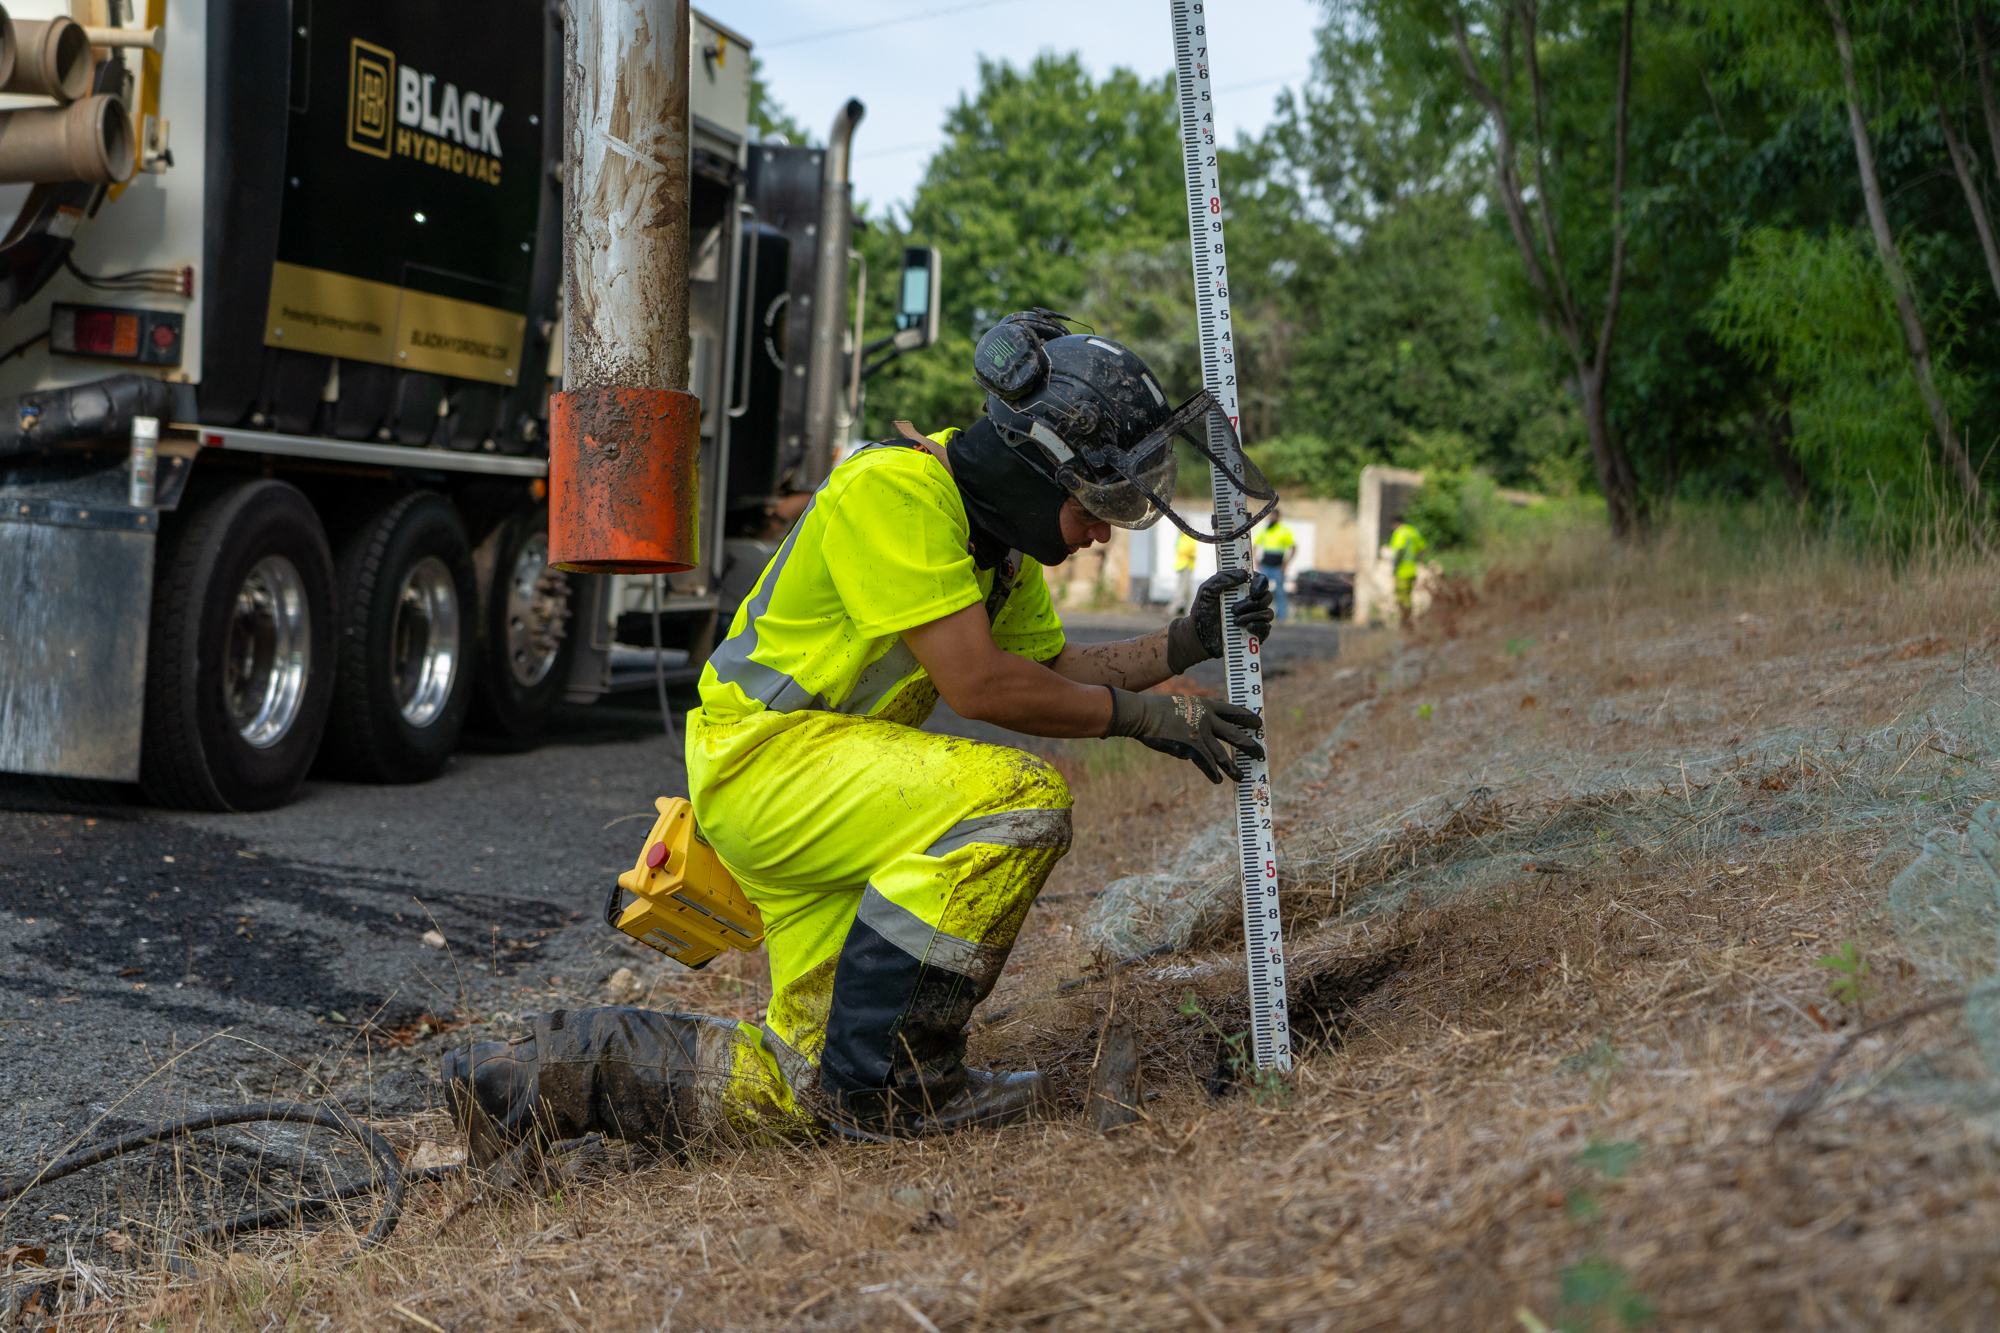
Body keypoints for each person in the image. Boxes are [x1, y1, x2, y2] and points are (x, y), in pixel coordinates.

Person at [443, 311, 1279, 1158]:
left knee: (799, 1086)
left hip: (825, 783)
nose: (1101, 531)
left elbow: (1051, 669)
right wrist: (1148, 718)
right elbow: (980, 684)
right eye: (1095, 506)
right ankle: (901, 1087)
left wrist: (1185, 643)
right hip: (767, 761)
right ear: (1035, 468)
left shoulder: (996, 547)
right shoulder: (896, 493)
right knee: (1018, 801)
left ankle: (530, 1076)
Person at [1254, 507, 1297, 621]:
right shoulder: (1265, 530)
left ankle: (1282, 616)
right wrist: (1256, 560)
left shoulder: (1284, 530)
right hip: (1265, 565)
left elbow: (1293, 547)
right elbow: (1255, 544)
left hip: (1278, 566)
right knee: (1260, 590)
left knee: (1280, 592)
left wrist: (1286, 563)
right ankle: (1259, 613)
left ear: (1278, 517)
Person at [1388, 517, 1427, 629]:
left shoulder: (1400, 533)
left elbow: (1400, 550)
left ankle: (1405, 621)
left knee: (1401, 598)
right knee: (1408, 597)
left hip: (1402, 571)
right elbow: (1422, 548)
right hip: (1413, 570)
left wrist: (1395, 565)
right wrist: (1418, 561)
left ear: (1396, 524)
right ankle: (1408, 621)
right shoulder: (1413, 531)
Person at [1174, 529, 1197, 614]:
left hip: (1186, 565)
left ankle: (1171, 608)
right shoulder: (1181, 537)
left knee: (1182, 588)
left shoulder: (1189, 537)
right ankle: (1191, 611)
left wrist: (1187, 556)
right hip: (1181, 566)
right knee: (1188, 591)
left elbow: (1192, 552)